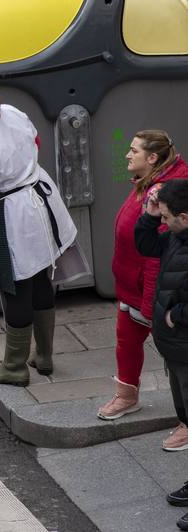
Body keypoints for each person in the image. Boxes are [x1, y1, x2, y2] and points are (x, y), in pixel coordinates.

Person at [0, 74, 79, 386]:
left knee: (14, 287)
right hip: (40, 198)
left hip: (11, 215)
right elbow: (35, 141)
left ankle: (14, 366)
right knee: (40, 277)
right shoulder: (10, 112)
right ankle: (44, 356)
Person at [100, 131, 188, 421]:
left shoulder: (165, 196)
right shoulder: (148, 183)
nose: (127, 155)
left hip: (152, 293)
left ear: (152, 158)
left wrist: (151, 305)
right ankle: (126, 396)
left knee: (177, 358)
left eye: (133, 150)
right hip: (133, 288)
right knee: (126, 340)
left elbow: (158, 259)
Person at [133, 180, 188, 461]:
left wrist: (174, 316)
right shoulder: (175, 237)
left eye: (165, 216)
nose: (162, 222)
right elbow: (146, 245)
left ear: (184, 217)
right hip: (174, 346)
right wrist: (150, 216)